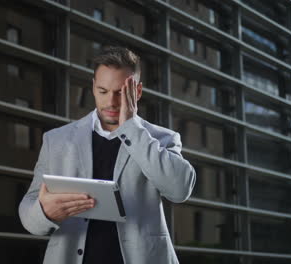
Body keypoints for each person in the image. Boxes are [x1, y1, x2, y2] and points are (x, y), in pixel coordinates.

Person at [18, 46, 196, 264]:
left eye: (120, 92)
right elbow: (28, 211)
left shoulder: (162, 138)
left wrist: (131, 126)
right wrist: (44, 212)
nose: (111, 102)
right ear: (93, 87)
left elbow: (179, 190)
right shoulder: (57, 140)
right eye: (103, 91)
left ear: (137, 92)